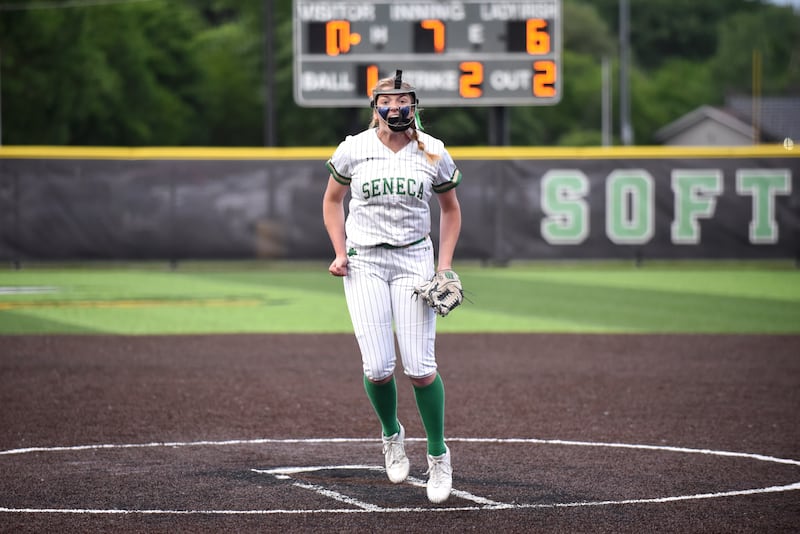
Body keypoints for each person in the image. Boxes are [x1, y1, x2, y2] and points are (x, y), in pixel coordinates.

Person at [321, 70, 462, 504]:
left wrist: (444, 267)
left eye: (404, 101)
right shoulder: (353, 149)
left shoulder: (433, 151)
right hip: (365, 259)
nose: (396, 107)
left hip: (414, 258)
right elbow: (331, 201)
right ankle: (391, 433)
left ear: (415, 105)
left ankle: (438, 455)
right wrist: (340, 251)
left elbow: (451, 210)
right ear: (375, 105)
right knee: (378, 367)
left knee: (420, 367)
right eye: (389, 99)